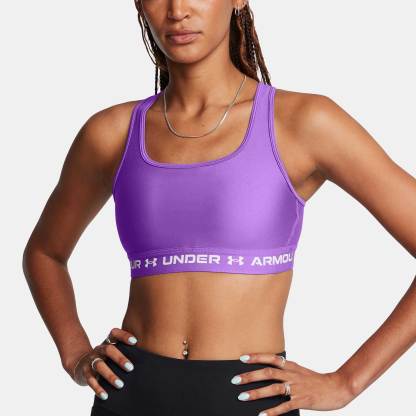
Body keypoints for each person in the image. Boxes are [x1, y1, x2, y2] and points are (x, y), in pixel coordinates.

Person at [22, 1, 416, 415]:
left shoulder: (304, 122)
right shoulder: (111, 133)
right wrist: (76, 355)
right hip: (130, 395)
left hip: (248, 401)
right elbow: (45, 253)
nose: (177, 10)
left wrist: (347, 382)